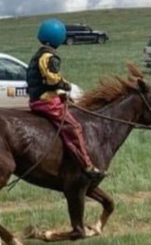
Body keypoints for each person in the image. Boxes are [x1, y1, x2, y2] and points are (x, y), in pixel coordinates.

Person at [26, 18, 104, 179]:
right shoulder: (49, 57)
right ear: (59, 38)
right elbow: (52, 79)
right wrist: (66, 85)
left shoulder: (38, 55)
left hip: (38, 98)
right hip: (45, 101)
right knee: (74, 127)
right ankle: (86, 165)